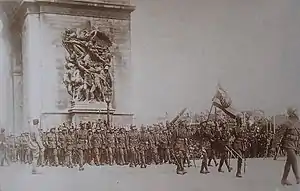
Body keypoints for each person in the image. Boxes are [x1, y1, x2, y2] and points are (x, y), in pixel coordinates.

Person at [272, 107, 300, 186]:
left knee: (289, 162)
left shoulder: (298, 123)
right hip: (287, 144)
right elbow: (278, 135)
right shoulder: (286, 123)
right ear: (292, 113)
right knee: (293, 159)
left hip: (295, 144)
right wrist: (274, 146)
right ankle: (298, 178)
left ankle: (284, 179)